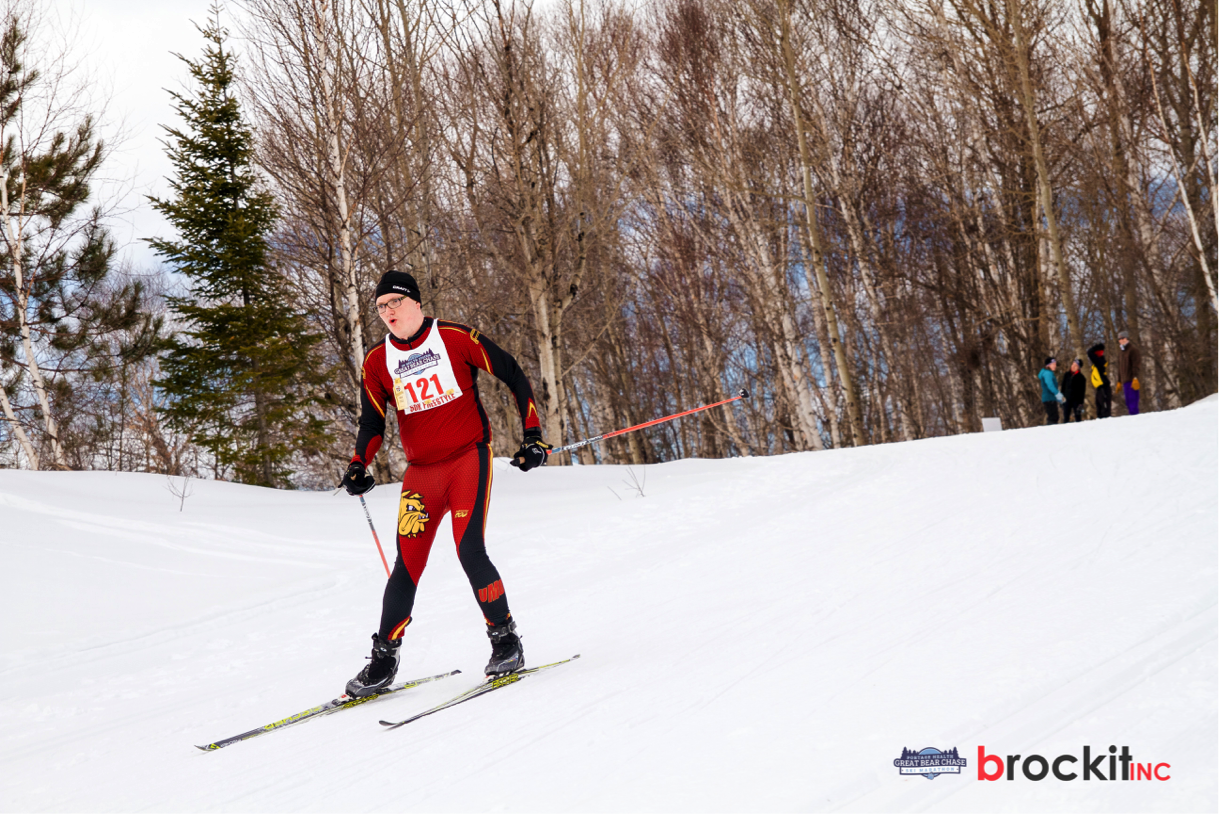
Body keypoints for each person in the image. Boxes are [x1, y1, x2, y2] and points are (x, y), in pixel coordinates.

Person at [340, 270, 550, 697]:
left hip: (467, 460)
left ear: (416, 302)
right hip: (421, 475)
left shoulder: (454, 337)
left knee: (469, 549)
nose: (388, 313)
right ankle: (383, 661)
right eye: (381, 307)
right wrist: (359, 463)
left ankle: (505, 641)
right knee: (406, 565)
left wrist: (533, 436)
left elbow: (511, 371)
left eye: (395, 303)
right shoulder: (377, 362)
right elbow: (372, 422)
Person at [1114, 330, 1142, 416]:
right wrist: (1119, 381)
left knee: (1133, 401)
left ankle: (1135, 418)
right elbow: (1120, 368)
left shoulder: (1133, 350)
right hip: (1124, 380)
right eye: (1119, 339)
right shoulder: (1121, 353)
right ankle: (1132, 417)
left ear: (1127, 338)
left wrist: (1135, 378)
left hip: (1132, 379)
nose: (1121, 340)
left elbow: (1136, 365)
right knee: (1128, 402)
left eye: (1123, 338)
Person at [1086, 342, 1112, 418]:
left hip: (1103, 387)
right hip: (1099, 388)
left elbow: (1089, 352)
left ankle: (1105, 419)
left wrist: (1095, 347)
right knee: (1099, 407)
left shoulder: (1099, 362)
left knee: (1104, 408)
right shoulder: (1098, 363)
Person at [1038, 357, 1065, 425]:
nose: (1055, 365)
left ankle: (1052, 432)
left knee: (1054, 417)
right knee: (1053, 417)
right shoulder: (1047, 373)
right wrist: (1059, 395)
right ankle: (1051, 432)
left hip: (1050, 398)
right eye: (1053, 364)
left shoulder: (1048, 373)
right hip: (1049, 398)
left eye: (1055, 364)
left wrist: (1059, 398)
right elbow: (1050, 386)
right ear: (1048, 365)